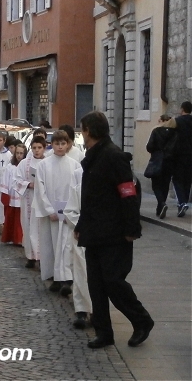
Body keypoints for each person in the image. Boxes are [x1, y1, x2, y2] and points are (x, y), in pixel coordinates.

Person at [75, 111, 153, 349]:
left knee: (113, 282)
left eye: (83, 129)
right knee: (96, 286)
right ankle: (104, 332)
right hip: (94, 232)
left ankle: (142, 320)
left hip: (115, 233)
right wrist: (81, 225)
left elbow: (128, 194)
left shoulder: (113, 156)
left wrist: (132, 228)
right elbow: (90, 198)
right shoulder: (93, 155)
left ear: (90, 131)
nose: (81, 133)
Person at [33, 130, 81, 295]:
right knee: (52, 245)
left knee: (66, 246)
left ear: (68, 145)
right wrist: (49, 210)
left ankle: (67, 278)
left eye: (63, 144)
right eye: (57, 144)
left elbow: (77, 189)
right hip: (52, 213)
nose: (60, 147)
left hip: (69, 212)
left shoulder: (74, 165)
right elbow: (40, 189)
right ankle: (55, 277)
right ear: (51, 145)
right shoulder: (44, 165)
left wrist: (73, 209)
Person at [63, 166, 93, 330]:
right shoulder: (79, 187)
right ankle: (81, 309)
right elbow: (70, 210)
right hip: (82, 235)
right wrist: (80, 227)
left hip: (102, 237)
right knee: (81, 273)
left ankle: (97, 311)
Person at [15, 136, 46, 269]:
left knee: (41, 229)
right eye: (34, 148)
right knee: (28, 227)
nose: (37, 151)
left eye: (39, 148)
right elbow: (16, 180)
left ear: (44, 148)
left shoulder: (48, 162)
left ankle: (43, 257)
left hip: (43, 200)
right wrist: (28, 184)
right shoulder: (24, 163)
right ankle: (31, 256)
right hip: (28, 197)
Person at [145, 114, 177, 219]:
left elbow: (149, 146)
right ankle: (160, 209)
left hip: (157, 160)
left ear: (163, 121)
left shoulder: (156, 131)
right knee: (165, 184)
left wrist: (156, 151)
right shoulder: (175, 133)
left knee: (156, 185)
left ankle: (162, 204)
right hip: (169, 161)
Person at [165, 101, 192, 217]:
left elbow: (167, 131)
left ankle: (182, 202)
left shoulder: (177, 121)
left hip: (179, 154)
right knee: (187, 180)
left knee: (177, 179)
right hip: (191, 156)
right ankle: (184, 202)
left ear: (182, 109)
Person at [0, 144, 26, 245]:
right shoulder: (10, 167)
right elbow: (5, 180)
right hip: (12, 196)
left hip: (23, 196)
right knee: (11, 218)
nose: (19, 155)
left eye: (21, 153)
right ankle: (11, 238)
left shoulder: (25, 166)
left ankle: (20, 239)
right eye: (17, 153)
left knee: (21, 219)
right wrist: (5, 194)